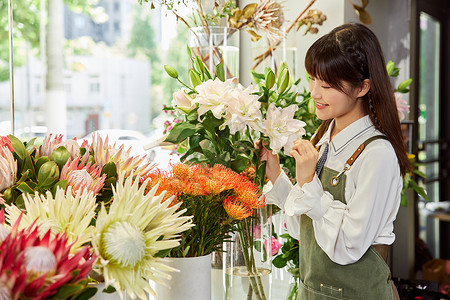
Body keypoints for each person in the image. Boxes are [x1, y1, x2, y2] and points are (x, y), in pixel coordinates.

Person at [261, 23, 411, 299]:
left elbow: (347, 247)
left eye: (326, 85)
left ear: (362, 87)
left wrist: (307, 182)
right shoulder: (323, 140)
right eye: (312, 79)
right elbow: (301, 230)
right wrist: (277, 176)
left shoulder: (377, 154)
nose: (314, 93)